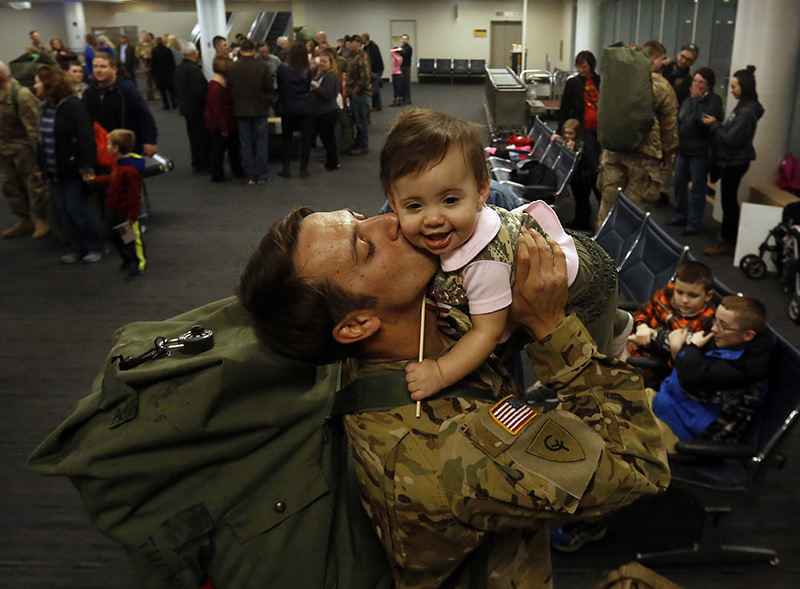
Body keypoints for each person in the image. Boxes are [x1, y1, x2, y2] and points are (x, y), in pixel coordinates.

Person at [236, 205, 670, 588]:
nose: (393, 222)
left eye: (363, 218)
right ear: (355, 325)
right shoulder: (452, 451)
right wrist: (550, 327)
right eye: (365, 248)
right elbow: (642, 465)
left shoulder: (412, 333)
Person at [382, 108, 622, 397]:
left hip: (588, 287)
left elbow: (487, 333)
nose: (432, 219)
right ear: (393, 204)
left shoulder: (485, 262)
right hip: (545, 251)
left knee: (593, 374)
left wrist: (441, 372)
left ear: (482, 190)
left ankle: (616, 326)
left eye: (449, 200)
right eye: (414, 206)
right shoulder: (448, 230)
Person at [653, 295, 772, 451]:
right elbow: (685, 339)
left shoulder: (743, 370)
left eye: (722, 325)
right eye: (715, 320)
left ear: (748, 335)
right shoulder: (725, 340)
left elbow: (691, 378)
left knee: (617, 436)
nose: (714, 328)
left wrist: (690, 349)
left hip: (684, 436)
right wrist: (654, 336)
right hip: (667, 409)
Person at [595, 40, 678, 229]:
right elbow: (670, 126)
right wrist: (668, 155)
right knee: (634, 212)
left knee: (607, 207)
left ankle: (597, 253)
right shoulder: (661, 85)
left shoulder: (617, 78)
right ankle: (625, 255)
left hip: (612, 151)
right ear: (654, 59)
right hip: (645, 157)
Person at [33, 65, 106, 264]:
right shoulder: (44, 107)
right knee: (63, 212)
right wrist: (40, 166)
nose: (35, 86)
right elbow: (42, 140)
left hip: (73, 170)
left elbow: (85, 139)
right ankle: (76, 247)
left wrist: (86, 167)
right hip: (54, 170)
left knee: (77, 210)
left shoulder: (73, 106)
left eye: (38, 81)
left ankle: (97, 246)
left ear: (50, 84)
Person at [701, 65, 764, 256]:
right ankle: (728, 235)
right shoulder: (744, 107)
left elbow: (730, 139)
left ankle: (727, 239)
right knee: (729, 200)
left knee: (729, 202)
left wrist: (714, 125)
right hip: (733, 160)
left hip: (736, 162)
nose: (731, 90)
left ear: (744, 88)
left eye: (734, 87)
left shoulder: (746, 112)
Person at [627, 261, 716, 379]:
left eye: (693, 295)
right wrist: (641, 325)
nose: (684, 300)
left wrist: (651, 338)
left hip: (649, 368)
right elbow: (642, 310)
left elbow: (686, 363)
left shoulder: (707, 322)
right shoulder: (668, 293)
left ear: (708, 296)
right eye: (679, 292)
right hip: (631, 344)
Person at [667, 67, 723, 235]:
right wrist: (675, 148)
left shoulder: (713, 100)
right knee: (678, 183)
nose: (697, 85)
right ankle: (680, 215)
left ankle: (693, 222)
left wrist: (698, 100)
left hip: (700, 152)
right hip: (683, 149)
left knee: (698, 188)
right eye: (695, 81)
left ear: (708, 85)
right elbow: (681, 122)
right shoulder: (687, 100)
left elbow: (704, 121)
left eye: (701, 82)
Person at [0, 60, 51, 239]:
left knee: (34, 186)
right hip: (4, 150)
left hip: (24, 148)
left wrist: (39, 159)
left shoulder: (20, 94)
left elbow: (34, 128)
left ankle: (42, 219)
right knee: (10, 185)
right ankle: (24, 220)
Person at [92, 129, 147, 278]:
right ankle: (128, 259)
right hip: (114, 209)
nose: (107, 147)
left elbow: (135, 194)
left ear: (116, 148)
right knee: (113, 235)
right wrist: (96, 180)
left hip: (125, 213)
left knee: (130, 239)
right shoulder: (118, 164)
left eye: (109, 144)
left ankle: (137, 263)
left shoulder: (129, 170)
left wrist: (132, 216)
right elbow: (113, 178)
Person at [82, 53, 158, 157]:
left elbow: (144, 116)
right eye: (95, 66)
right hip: (101, 147)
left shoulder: (126, 89)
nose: (98, 70)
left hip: (125, 147)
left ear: (114, 69)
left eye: (103, 66)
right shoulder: (89, 92)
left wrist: (150, 141)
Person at [557, 50, 601, 217]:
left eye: (584, 66)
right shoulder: (573, 83)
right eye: (579, 66)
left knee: (594, 168)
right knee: (585, 169)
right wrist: (561, 131)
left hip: (597, 131)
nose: (581, 70)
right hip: (582, 132)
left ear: (591, 66)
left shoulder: (599, 81)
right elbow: (565, 109)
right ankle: (585, 210)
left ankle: (596, 207)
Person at [227, 39, 272, 185]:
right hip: (259, 109)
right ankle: (262, 175)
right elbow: (269, 89)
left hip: (241, 109)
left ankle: (250, 176)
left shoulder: (232, 67)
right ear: (254, 50)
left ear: (240, 50)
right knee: (261, 142)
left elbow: (230, 88)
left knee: (245, 143)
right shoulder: (262, 66)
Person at [276, 43, 315, 178]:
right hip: (305, 106)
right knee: (306, 139)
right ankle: (303, 169)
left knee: (287, 138)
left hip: (288, 106)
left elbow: (280, 88)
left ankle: (286, 168)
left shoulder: (282, 69)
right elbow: (308, 86)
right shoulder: (308, 71)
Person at [205, 56, 243, 183]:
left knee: (232, 147)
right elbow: (217, 109)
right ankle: (217, 174)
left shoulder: (220, 83)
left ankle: (235, 169)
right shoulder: (215, 86)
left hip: (226, 121)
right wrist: (223, 128)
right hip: (219, 123)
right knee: (218, 149)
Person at [174, 42, 209, 174]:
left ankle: (196, 161)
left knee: (193, 136)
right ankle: (203, 162)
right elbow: (199, 91)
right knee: (202, 136)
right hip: (198, 109)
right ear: (194, 53)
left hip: (186, 108)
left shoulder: (179, 68)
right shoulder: (194, 70)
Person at [310, 51, 339, 172]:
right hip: (322, 110)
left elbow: (327, 94)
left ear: (331, 63)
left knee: (328, 139)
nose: (322, 64)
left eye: (325, 62)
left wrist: (316, 88)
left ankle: (332, 164)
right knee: (327, 138)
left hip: (327, 111)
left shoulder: (330, 76)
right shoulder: (322, 74)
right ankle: (332, 161)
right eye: (321, 61)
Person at [344, 35, 371, 155]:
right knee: (356, 119)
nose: (350, 45)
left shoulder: (362, 57)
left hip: (359, 94)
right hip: (352, 92)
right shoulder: (352, 56)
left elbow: (365, 77)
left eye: (353, 42)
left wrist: (355, 91)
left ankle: (363, 146)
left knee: (361, 120)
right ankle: (358, 142)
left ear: (359, 44)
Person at [150, 37, 176, 110]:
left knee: (162, 91)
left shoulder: (154, 51)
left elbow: (153, 63)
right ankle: (174, 103)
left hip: (159, 73)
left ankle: (166, 105)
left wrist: (153, 73)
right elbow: (172, 61)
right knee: (171, 89)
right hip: (168, 72)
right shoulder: (168, 50)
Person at [362, 32, 384, 111]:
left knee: (375, 88)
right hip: (371, 70)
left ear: (365, 39)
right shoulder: (365, 47)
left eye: (362, 38)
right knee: (374, 88)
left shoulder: (373, 47)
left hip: (376, 69)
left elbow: (374, 59)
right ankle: (376, 105)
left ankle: (378, 105)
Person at [136, 31, 157, 101]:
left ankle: (156, 94)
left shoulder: (153, 44)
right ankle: (149, 95)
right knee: (147, 80)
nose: (146, 37)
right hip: (145, 62)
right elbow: (137, 54)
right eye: (144, 36)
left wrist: (149, 55)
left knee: (154, 79)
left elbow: (155, 52)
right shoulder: (139, 44)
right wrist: (142, 54)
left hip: (153, 62)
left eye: (147, 36)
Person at [398, 33, 412, 105]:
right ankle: (403, 97)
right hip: (401, 66)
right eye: (403, 39)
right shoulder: (402, 47)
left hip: (406, 67)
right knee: (401, 83)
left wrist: (400, 51)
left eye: (405, 39)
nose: (404, 40)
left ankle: (408, 98)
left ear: (408, 40)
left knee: (406, 83)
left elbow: (405, 55)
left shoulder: (409, 48)